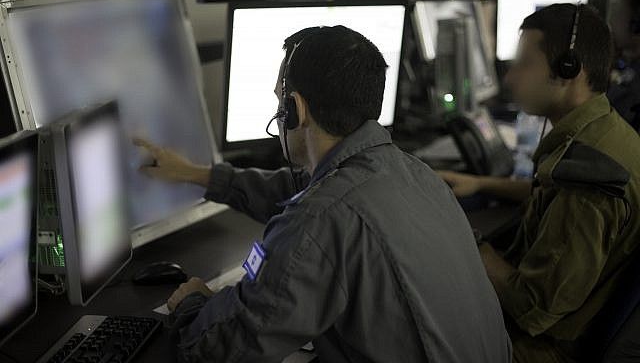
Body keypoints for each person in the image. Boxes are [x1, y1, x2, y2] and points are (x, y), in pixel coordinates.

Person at [135, 25, 511, 362]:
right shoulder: (412, 173)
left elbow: (217, 349)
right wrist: (194, 174)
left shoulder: (321, 218)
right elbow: (306, 192)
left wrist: (196, 303)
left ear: (294, 109)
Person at [439, 4, 640, 362]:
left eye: (524, 63)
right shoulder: (603, 131)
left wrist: (465, 240)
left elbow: (534, 307)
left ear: (568, 70)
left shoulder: (589, 181)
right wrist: (481, 184)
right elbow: (551, 192)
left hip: (542, 349)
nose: (511, 78)